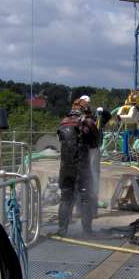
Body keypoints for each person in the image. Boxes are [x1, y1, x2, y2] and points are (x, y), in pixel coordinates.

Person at [57, 101, 98, 236]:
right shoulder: (87, 123)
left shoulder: (63, 122)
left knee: (65, 198)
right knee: (86, 198)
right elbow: (94, 144)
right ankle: (87, 231)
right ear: (85, 110)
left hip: (65, 168)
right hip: (82, 167)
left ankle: (62, 230)